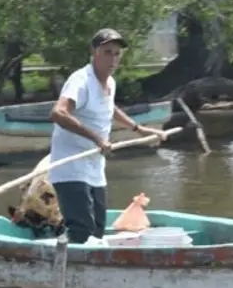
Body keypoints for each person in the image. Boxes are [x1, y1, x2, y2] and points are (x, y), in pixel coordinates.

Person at [48, 28, 167, 244]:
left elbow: (109, 108)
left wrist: (139, 129)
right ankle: (69, 268)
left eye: (116, 54)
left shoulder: (110, 82)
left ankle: (82, 261)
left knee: (99, 229)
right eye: (107, 52)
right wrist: (97, 139)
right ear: (94, 52)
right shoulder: (81, 80)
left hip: (94, 166)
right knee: (82, 230)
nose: (113, 59)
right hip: (71, 168)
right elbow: (58, 113)